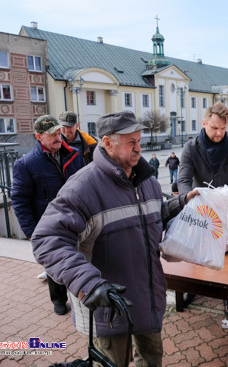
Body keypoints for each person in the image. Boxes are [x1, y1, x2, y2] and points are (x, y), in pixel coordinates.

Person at [31, 110, 198, 367]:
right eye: (131, 142)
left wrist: (179, 204)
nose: (138, 148)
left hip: (147, 297)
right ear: (107, 142)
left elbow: (149, 218)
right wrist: (88, 283)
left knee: (152, 358)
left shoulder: (147, 182)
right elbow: (47, 240)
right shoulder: (83, 187)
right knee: (112, 363)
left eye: (139, 141)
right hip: (109, 306)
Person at [178, 102, 228, 318]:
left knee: (226, 255)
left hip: (226, 207)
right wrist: (189, 197)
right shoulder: (191, 148)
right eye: (214, 128)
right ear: (204, 123)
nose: (219, 133)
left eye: (223, 129)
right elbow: (183, 178)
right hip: (200, 207)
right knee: (197, 250)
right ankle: (193, 287)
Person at [12, 115, 85, 315]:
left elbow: (85, 184)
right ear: (39, 137)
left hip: (76, 217)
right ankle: (59, 299)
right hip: (48, 224)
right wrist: (31, 232)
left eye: (58, 132)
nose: (57, 137)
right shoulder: (26, 164)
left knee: (81, 257)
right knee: (55, 263)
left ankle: (82, 294)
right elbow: (19, 201)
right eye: (51, 134)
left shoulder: (74, 154)